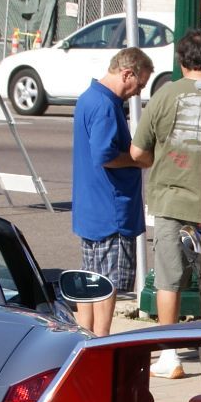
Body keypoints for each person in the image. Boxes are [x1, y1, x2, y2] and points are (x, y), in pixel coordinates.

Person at [136, 29, 201, 377]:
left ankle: (170, 356)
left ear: (182, 60)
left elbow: (138, 151)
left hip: (172, 199)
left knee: (169, 280)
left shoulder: (165, 94)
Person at [70, 46, 151, 338]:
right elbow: (105, 155)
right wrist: (138, 158)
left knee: (91, 279)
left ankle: (85, 336)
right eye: (138, 84)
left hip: (90, 208)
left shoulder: (87, 98)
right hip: (111, 209)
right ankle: (101, 340)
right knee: (107, 282)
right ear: (127, 73)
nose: (137, 92)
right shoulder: (106, 105)